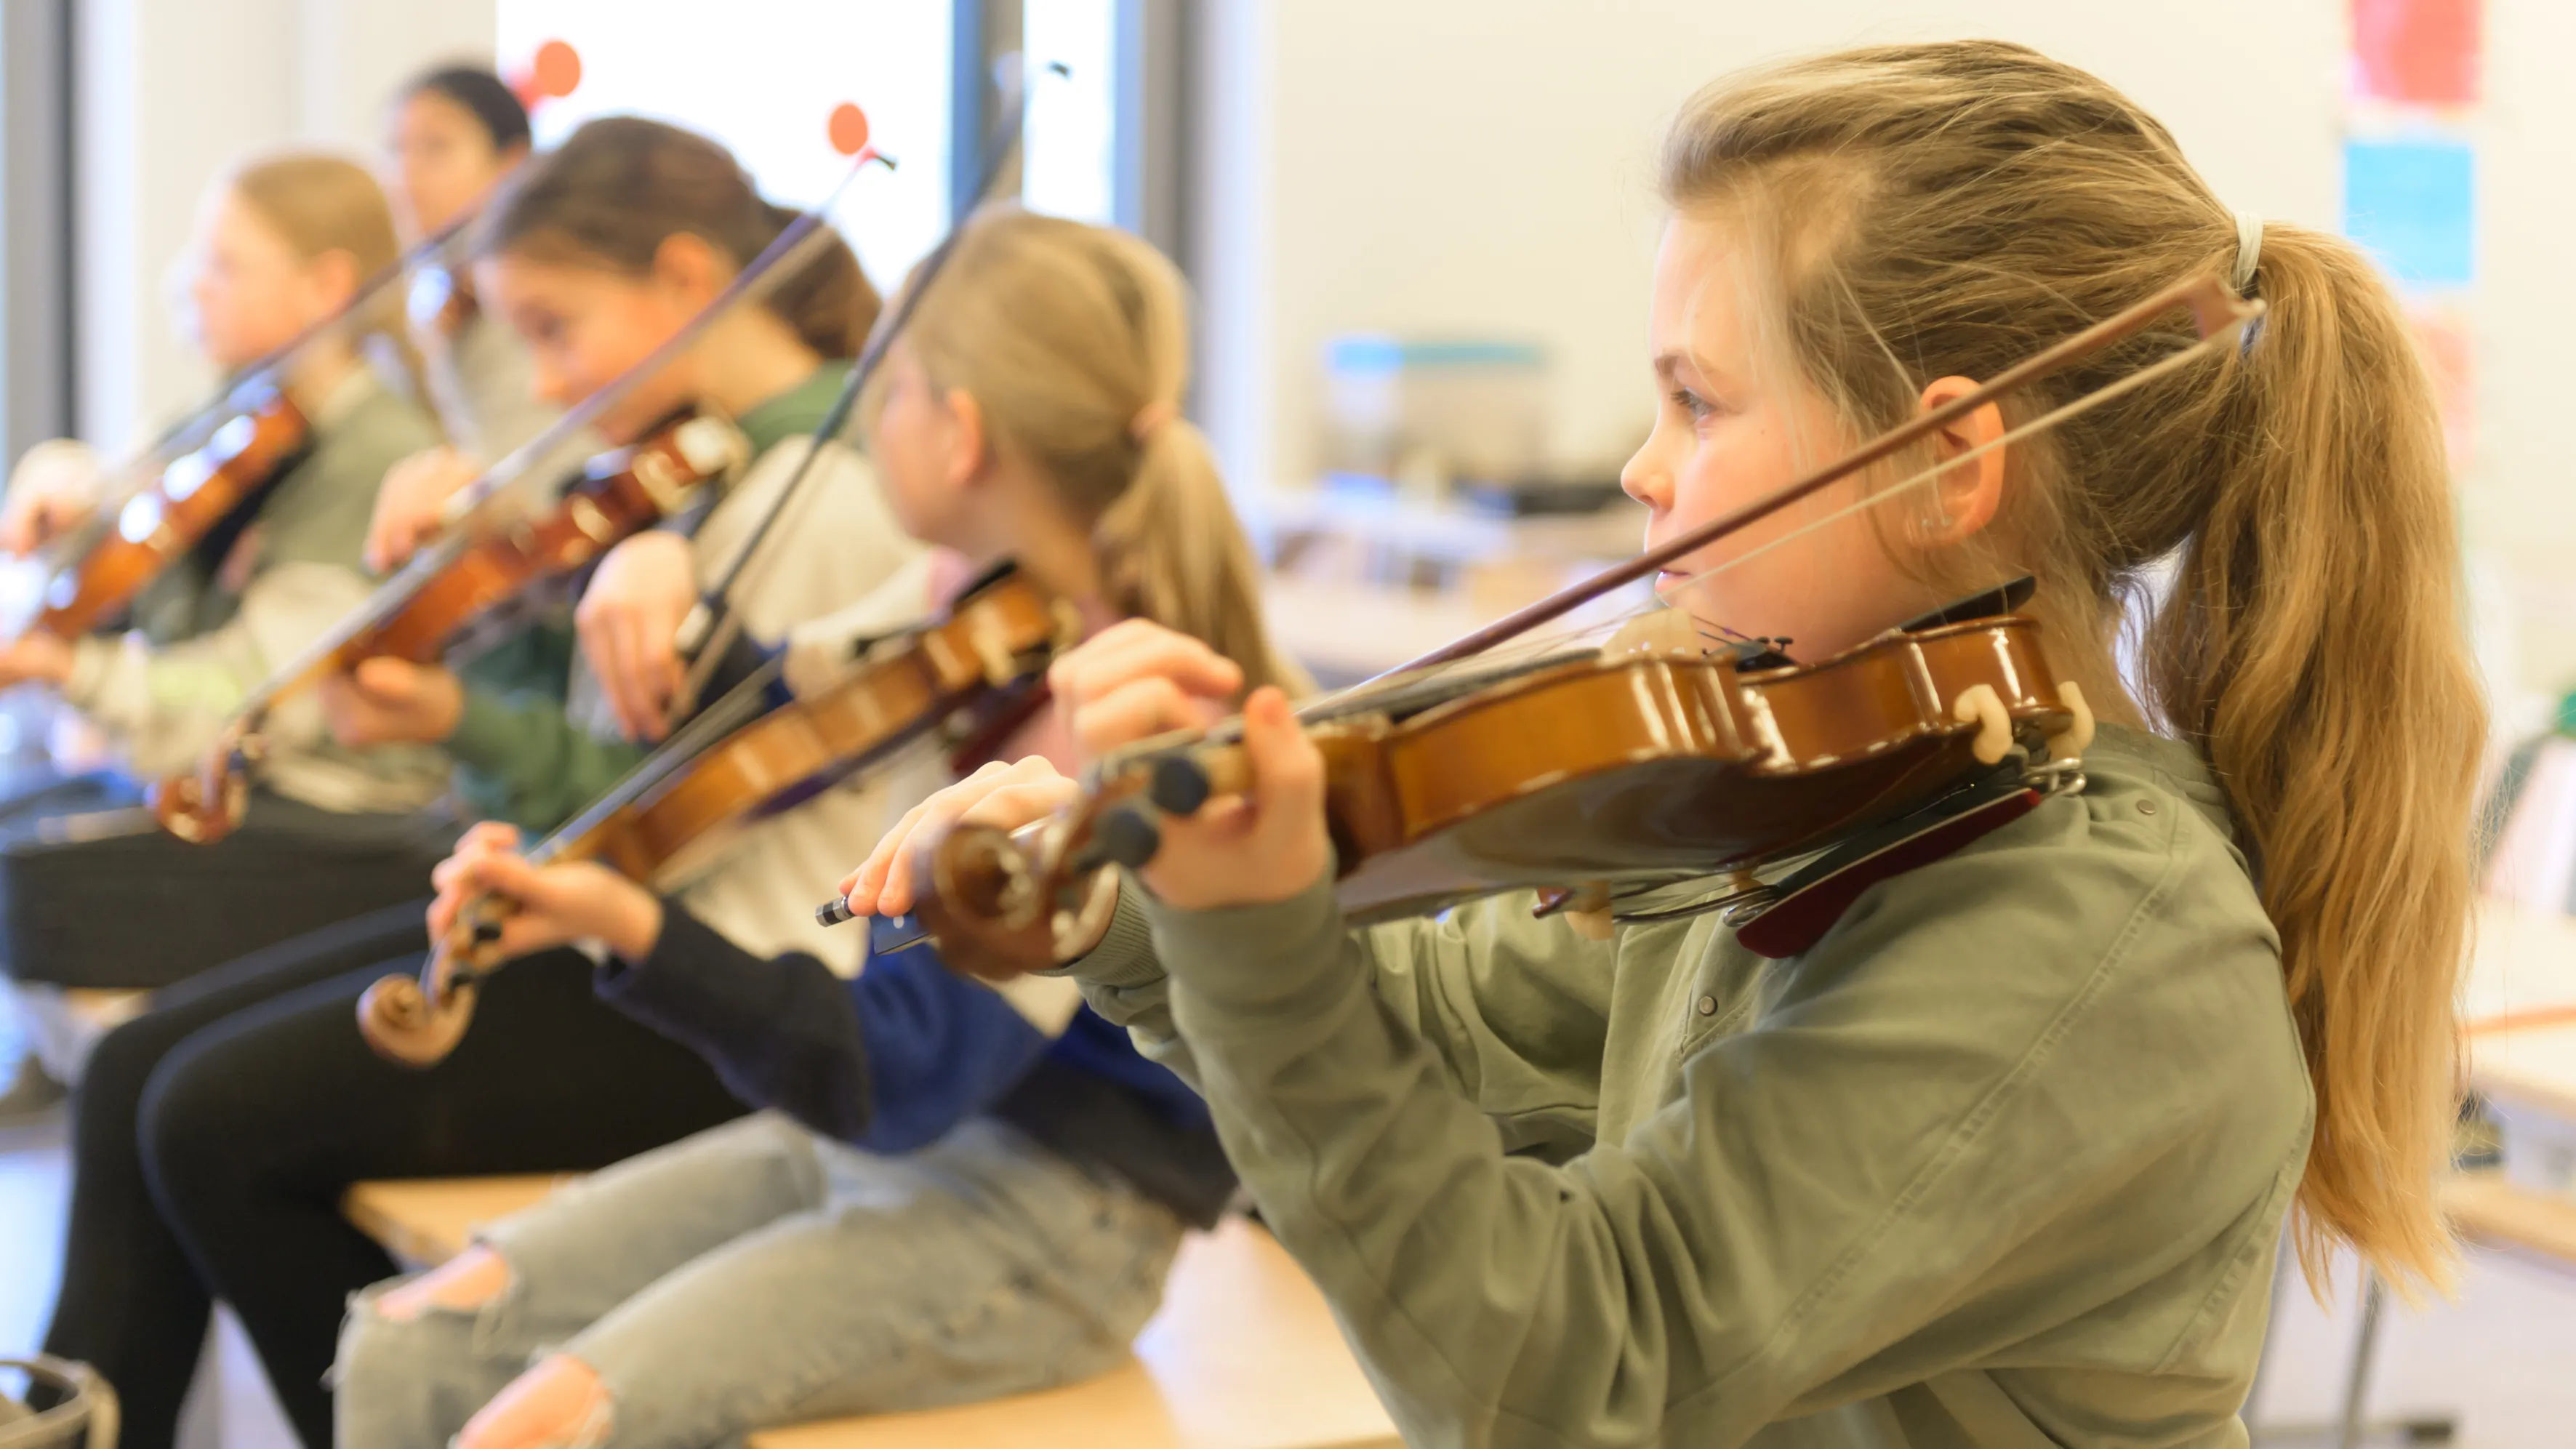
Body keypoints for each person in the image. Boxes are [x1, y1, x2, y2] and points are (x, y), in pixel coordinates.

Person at [849, 41, 2484, 1448]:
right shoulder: (1814, 791)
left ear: (1945, 465)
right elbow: (1446, 1026)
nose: (1640, 472)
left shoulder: (2094, 936)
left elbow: (1577, 1368)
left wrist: (1254, 952)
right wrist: (1135, 907)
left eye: (1697, 405)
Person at [332, 206, 1300, 1449]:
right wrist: (645, 564)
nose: (859, 414)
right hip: (879, 1151)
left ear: (956, 434)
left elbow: (897, 1073)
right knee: (416, 1337)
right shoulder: (975, 616)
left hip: (1052, 1211)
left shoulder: (1121, 730)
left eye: (882, 391)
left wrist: (631, 924)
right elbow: (761, 713)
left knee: (541, 1427)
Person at [39, 116, 915, 1449]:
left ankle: (411, 1416)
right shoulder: (689, 474)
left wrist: (464, 708)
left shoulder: (809, 495)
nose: (545, 381)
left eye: (558, 329)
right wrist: (468, 666)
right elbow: (594, 760)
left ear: (688, 281)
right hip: (612, 921)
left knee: (207, 1122)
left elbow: (637, 813)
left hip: (728, 983)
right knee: (137, 1076)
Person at [0, 153, 450, 1062]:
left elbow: (250, 695)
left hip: (332, 806)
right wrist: (67, 487)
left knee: (23, 882)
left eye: (222, 263)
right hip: (228, 774)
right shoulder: (244, 406)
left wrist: (73, 672)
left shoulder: (374, 457)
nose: (187, 288)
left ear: (325, 285)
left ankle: (102, 1081)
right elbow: (126, 548)